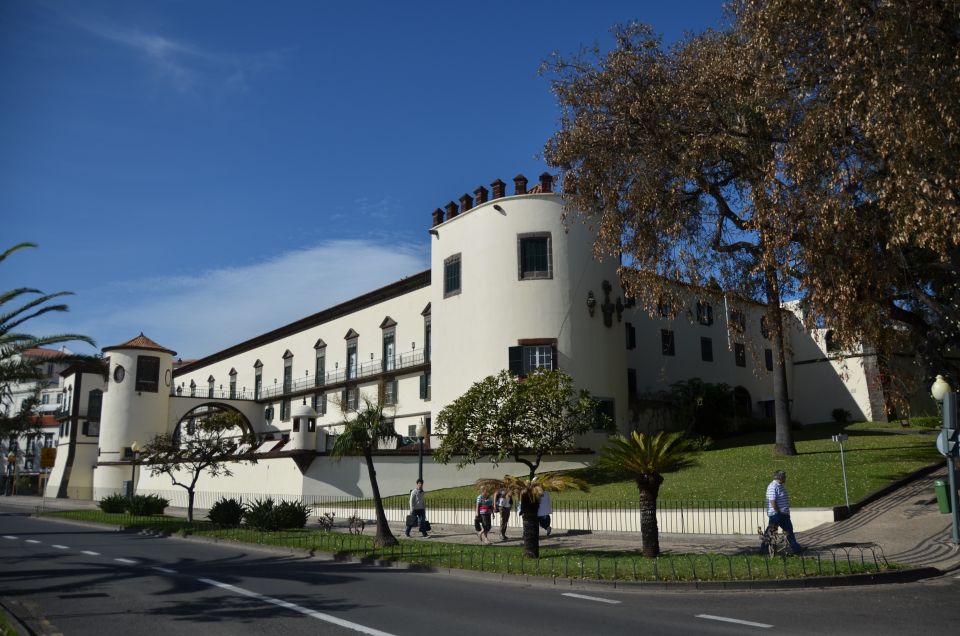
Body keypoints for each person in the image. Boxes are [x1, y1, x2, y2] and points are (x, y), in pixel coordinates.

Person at [763, 469, 802, 554]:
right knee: (771, 532)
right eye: (784, 477)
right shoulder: (773, 486)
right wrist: (778, 512)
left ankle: (797, 549)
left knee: (788, 531)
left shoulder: (779, 485)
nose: (786, 478)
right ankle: (764, 549)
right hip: (777, 514)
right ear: (780, 477)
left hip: (783, 514)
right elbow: (772, 501)